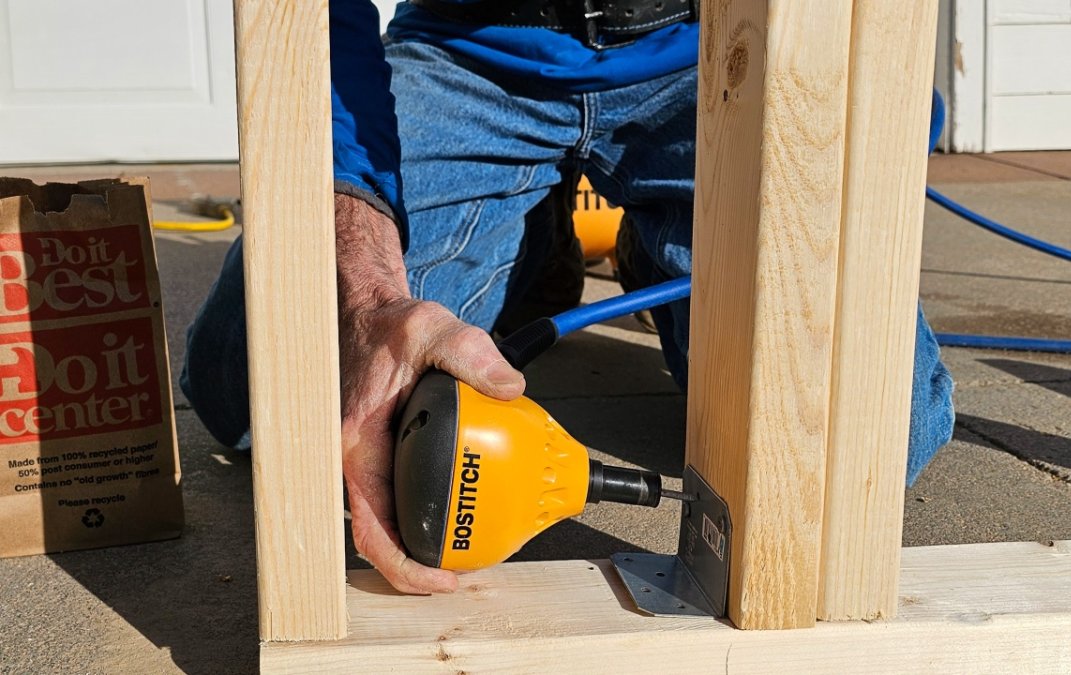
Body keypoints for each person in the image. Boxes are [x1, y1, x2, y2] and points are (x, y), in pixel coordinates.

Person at [181, 0, 954, 596]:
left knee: (864, 449)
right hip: (475, 50)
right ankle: (536, 250)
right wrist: (366, 289)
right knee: (275, 403)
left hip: (720, 44)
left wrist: (852, 118)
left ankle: (656, 248)